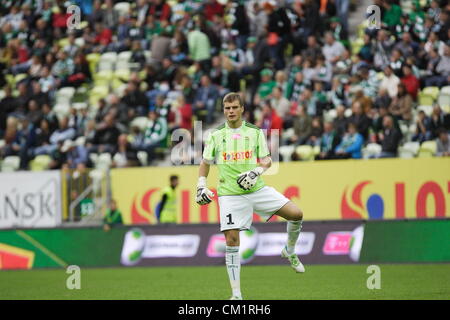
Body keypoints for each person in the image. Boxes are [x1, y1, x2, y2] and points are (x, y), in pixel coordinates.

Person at [196, 92, 304, 300]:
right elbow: (205, 163)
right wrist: (201, 185)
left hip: (256, 188)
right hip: (230, 194)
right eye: (227, 108)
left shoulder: (254, 132)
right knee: (232, 239)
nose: (231, 111)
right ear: (223, 110)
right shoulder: (216, 135)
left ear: (242, 109)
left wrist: (255, 172)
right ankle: (236, 294)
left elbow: (266, 160)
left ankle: (289, 250)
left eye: (235, 107)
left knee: (296, 213)